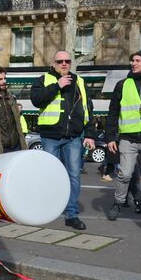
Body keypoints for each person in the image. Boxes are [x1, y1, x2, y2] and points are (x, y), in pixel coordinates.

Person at [31, 50, 96, 230]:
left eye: (67, 61)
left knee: (74, 175)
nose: (64, 64)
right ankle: (44, 209)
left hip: (74, 138)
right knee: (48, 175)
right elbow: (36, 100)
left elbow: (88, 109)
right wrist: (57, 86)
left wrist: (90, 134)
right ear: (53, 63)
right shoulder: (43, 80)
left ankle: (71, 214)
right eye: (60, 61)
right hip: (50, 137)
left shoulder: (80, 82)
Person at [105, 50, 141, 228]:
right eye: (132, 60)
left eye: (137, 60)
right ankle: (118, 203)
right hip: (128, 138)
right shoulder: (122, 84)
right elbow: (113, 112)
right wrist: (111, 137)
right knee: (125, 174)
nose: (133, 63)